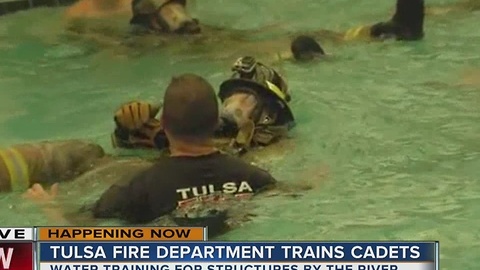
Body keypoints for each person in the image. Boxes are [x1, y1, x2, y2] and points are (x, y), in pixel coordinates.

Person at [25, 74, 278, 224]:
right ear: (216, 124)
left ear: (164, 124)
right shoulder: (252, 177)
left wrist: (50, 208)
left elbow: (79, 237)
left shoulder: (136, 189)